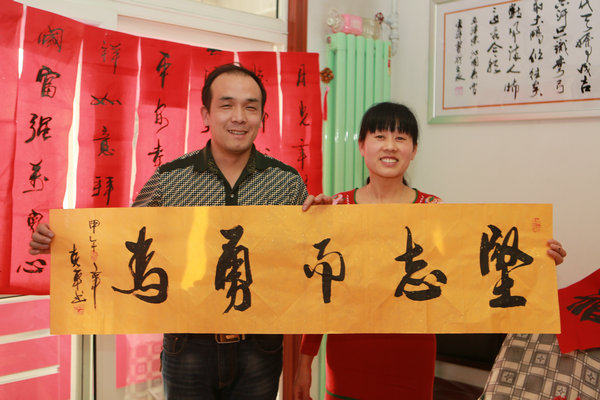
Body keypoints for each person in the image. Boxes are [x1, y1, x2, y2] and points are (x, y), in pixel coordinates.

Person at [30, 63, 308, 400]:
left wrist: (324, 219)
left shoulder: (287, 183)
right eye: (226, 105)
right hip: (187, 344)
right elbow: (125, 241)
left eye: (251, 107)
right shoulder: (170, 179)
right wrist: (62, 241)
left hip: (260, 346)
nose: (239, 117)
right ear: (206, 115)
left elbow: (303, 256)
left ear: (262, 117)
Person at [294, 102, 567, 400]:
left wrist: (536, 260)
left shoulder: (434, 211)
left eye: (401, 138)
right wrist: (305, 363)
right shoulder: (336, 208)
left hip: (412, 358)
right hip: (348, 359)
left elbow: (472, 273)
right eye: (380, 136)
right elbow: (320, 295)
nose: (390, 146)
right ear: (362, 145)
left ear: (414, 150)